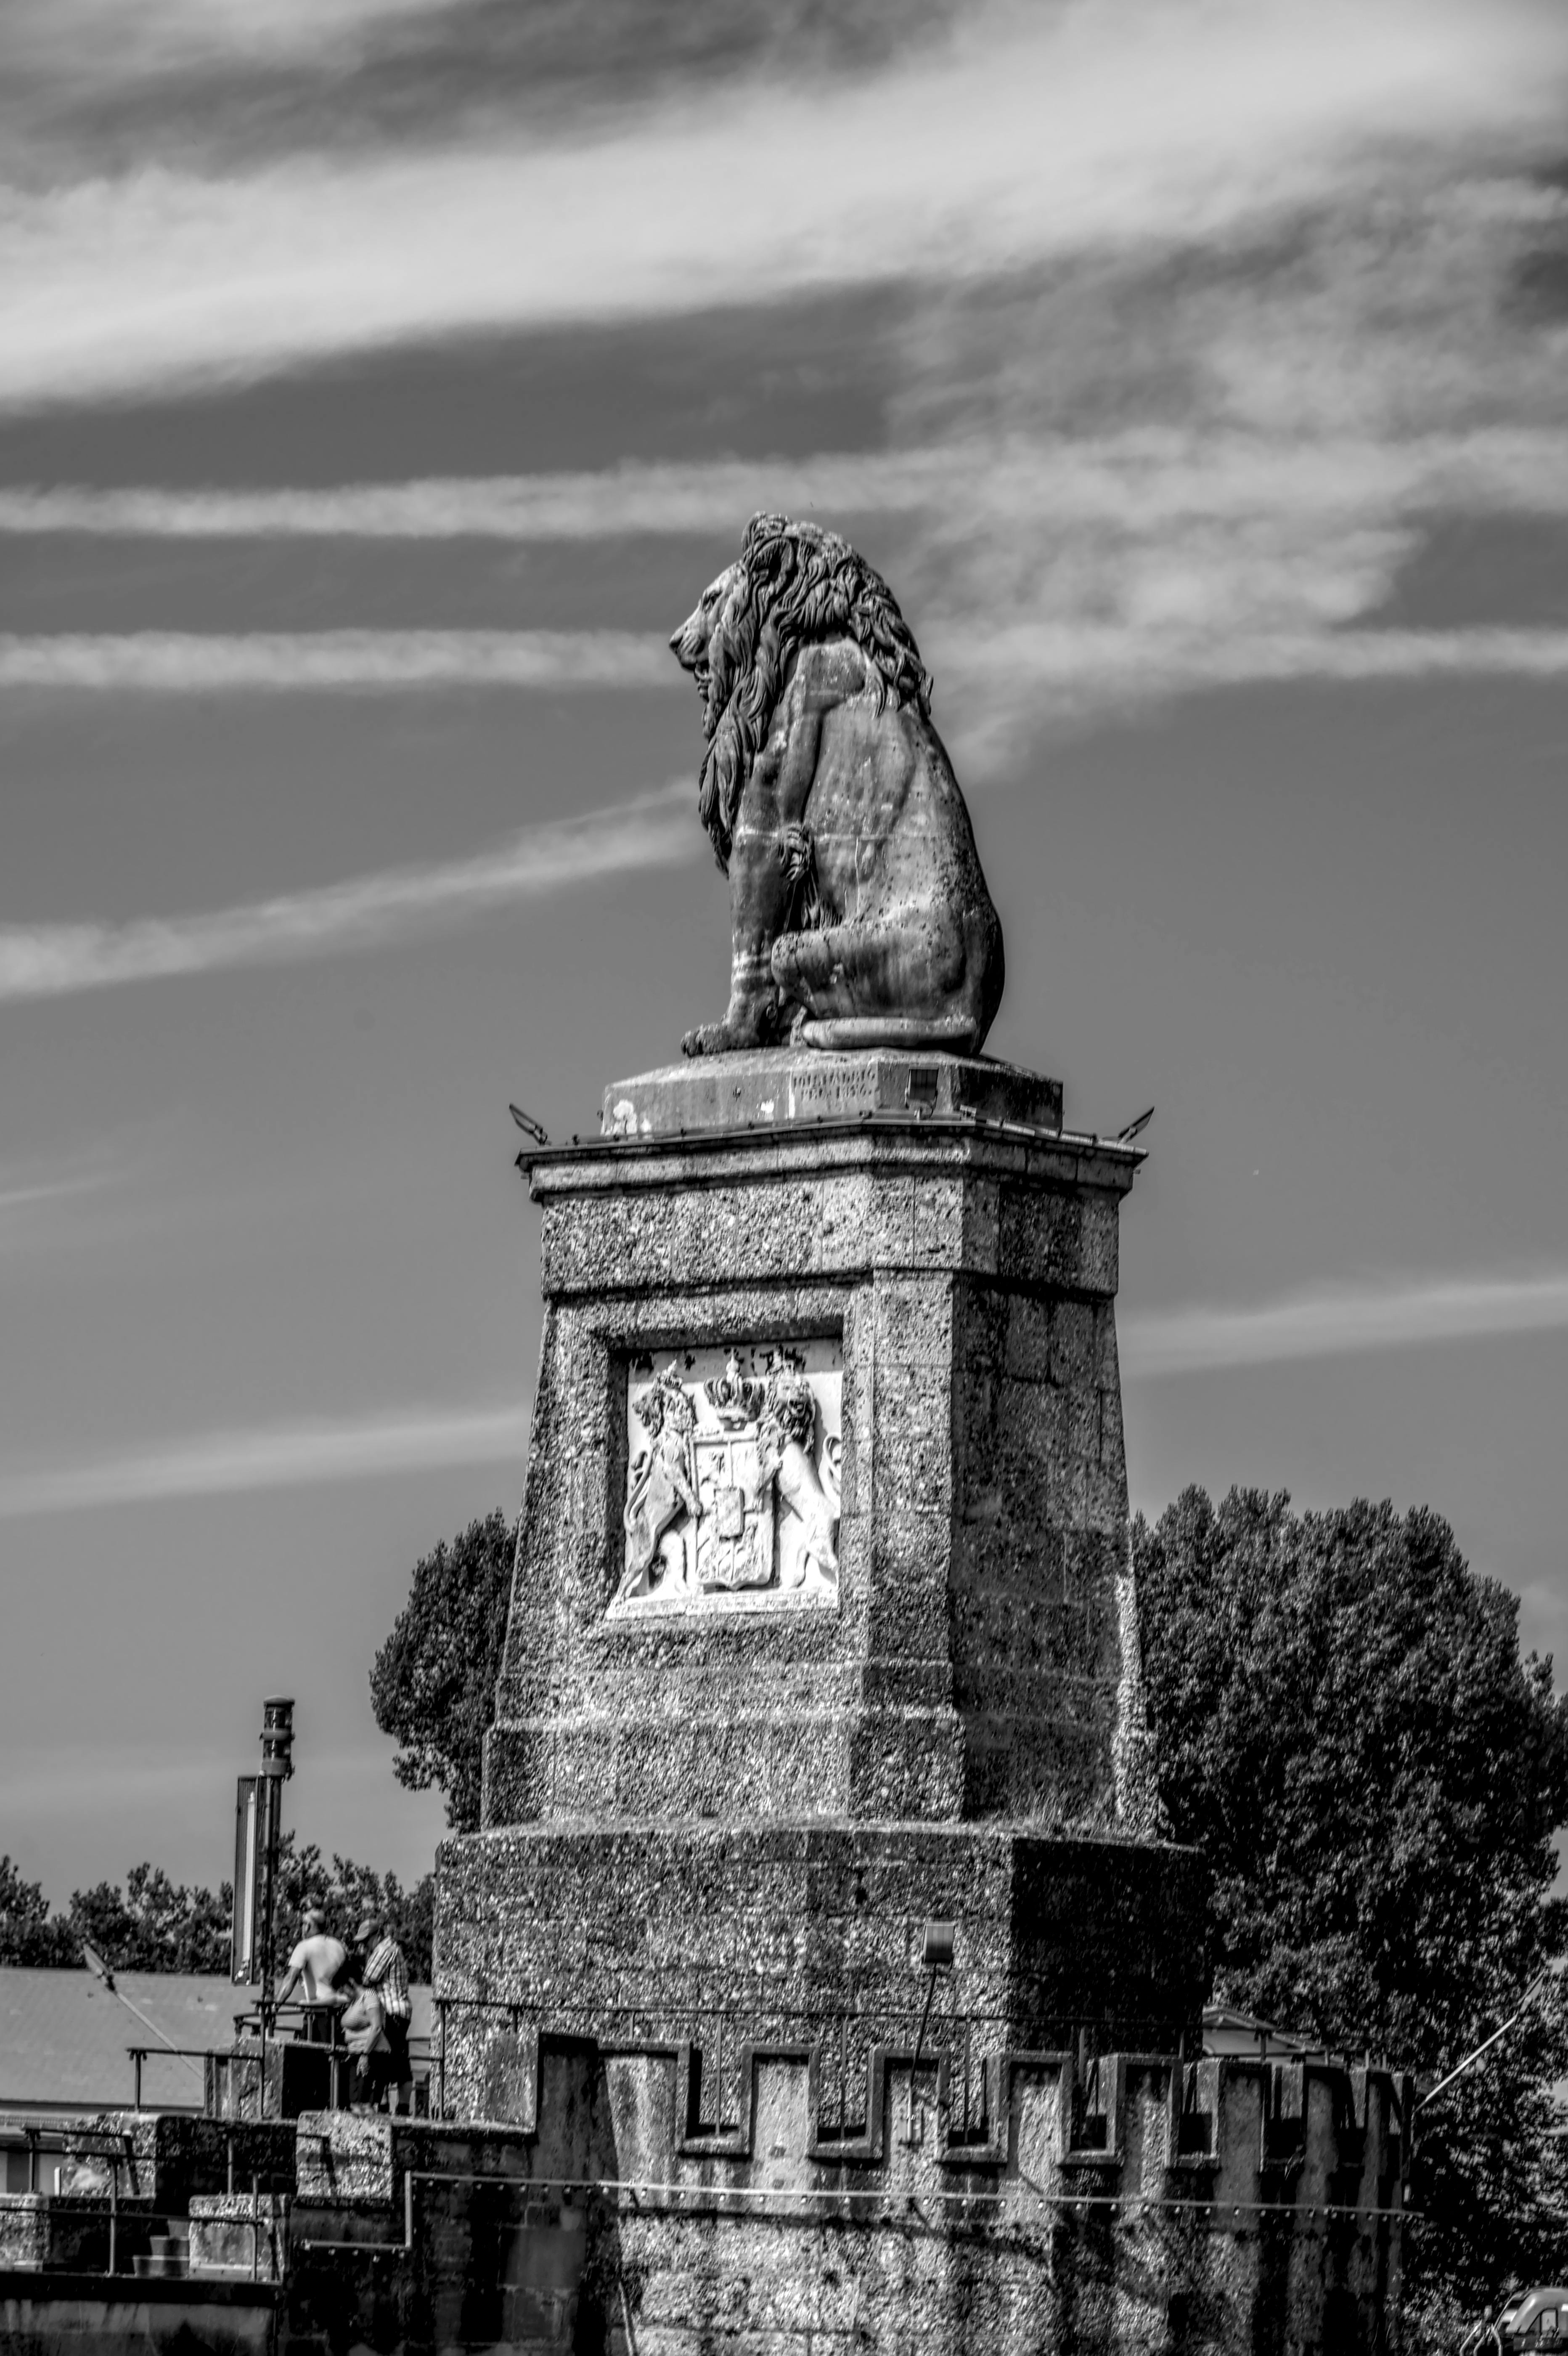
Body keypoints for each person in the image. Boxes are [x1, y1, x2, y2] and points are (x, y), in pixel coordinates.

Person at [356, 1913, 414, 2115]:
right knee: (397, 2062)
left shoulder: (385, 1949)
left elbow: (368, 1978)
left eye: (366, 1941)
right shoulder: (391, 1949)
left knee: (381, 2060)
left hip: (392, 2013)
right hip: (398, 2012)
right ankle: (399, 2108)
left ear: (378, 1935)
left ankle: (384, 2108)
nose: (364, 1947)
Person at [275, 1909, 348, 2039]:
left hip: (319, 2013)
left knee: (307, 2055)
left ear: (308, 1926)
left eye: (303, 1924)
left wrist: (275, 2006)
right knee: (333, 2054)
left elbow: (290, 1979)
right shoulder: (340, 1946)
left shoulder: (304, 1947)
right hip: (341, 2013)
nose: (302, 1928)